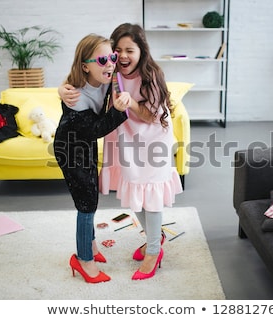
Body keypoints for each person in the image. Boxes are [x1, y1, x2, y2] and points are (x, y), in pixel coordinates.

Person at [59, 23, 183, 280]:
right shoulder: (111, 73)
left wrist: (131, 106)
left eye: (129, 51)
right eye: (117, 51)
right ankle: (152, 236)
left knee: (152, 195)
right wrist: (60, 90)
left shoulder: (151, 75)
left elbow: (153, 114)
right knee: (137, 192)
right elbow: (84, 75)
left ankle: (153, 251)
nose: (122, 57)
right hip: (127, 140)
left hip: (153, 140)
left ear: (142, 52)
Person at [53, 34, 130, 284]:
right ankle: (83, 259)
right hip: (70, 148)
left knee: (91, 199)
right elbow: (96, 129)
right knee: (86, 205)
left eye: (112, 57)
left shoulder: (104, 76)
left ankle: (92, 247)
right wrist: (118, 111)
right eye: (102, 59)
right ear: (85, 65)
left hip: (84, 145)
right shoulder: (76, 95)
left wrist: (60, 85)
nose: (109, 63)